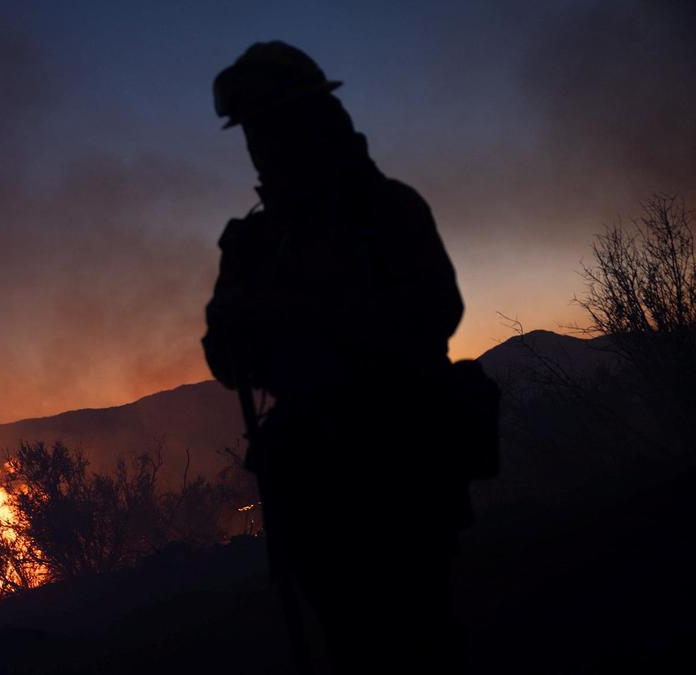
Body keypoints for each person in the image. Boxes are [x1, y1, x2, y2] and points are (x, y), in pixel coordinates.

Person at [202, 41, 471, 674]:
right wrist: (237, 335)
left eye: (274, 126)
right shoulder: (254, 241)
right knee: (349, 646)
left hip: (401, 472)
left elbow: (436, 313)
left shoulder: (386, 211)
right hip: (314, 489)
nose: (261, 144)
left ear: (315, 120)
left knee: (418, 643)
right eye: (252, 132)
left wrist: (305, 321)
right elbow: (225, 361)